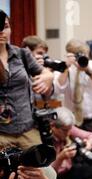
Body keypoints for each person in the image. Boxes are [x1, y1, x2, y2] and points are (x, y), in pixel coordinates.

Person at [0, 12, 54, 150]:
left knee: (46, 171)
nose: (2, 31)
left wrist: (48, 76)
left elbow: (44, 72)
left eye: (5, 26)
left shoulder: (21, 54)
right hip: (2, 134)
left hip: (27, 130)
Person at [53, 39, 92, 142]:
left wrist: (89, 71)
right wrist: (66, 68)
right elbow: (57, 90)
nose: (83, 58)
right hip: (73, 122)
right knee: (77, 154)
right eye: (78, 55)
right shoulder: (63, 67)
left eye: (85, 55)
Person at [50, 107, 92, 179]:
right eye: (65, 130)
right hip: (55, 178)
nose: (68, 133)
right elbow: (48, 174)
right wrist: (60, 158)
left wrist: (89, 144)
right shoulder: (44, 139)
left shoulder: (67, 127)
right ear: (53, 126)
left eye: (70, 129)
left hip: (71, 172)